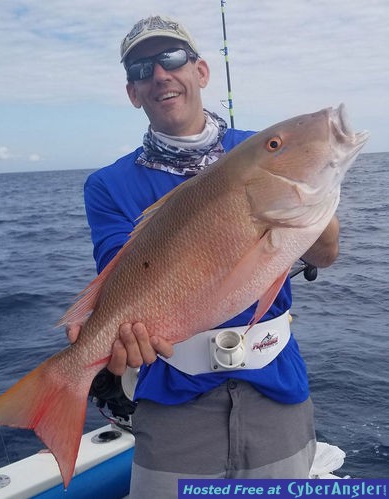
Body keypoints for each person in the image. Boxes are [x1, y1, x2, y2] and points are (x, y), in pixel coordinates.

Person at [81, 15, 340, 498]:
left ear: (200, 72)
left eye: (172, 58)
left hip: (275, 387)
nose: (160, 74)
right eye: (141, 68)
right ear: (133, 92)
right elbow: (121, 279)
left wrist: (302, 200)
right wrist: (114, 341)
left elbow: (325, 255)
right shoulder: (107, 186)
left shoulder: (258, 150)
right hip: (172, 400)